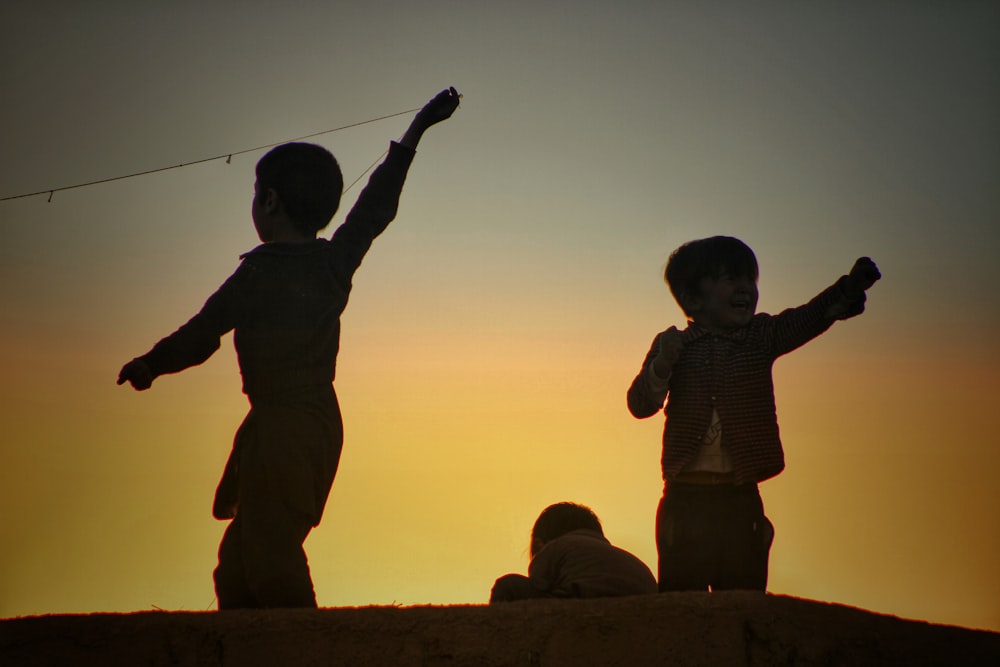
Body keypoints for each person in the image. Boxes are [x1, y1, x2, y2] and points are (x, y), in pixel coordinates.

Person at [117, 87, 461, 609]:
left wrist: (151, 363)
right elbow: (374, 209)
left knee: (272, 558)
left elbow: (202, 332)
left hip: (287, 432)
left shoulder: (256, 274)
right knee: (236, 568)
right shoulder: (331, 264)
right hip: (310, 427)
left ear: (269, 201)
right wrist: (414, 132)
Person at [626, 236, 881, 592]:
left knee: (742, 593)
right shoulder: (674, 345)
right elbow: (641, 405)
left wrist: (848, 288)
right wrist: (663, 363)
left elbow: (807, 318)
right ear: (693, 298)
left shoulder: (760, 336)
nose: (746, 288)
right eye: (731, 279)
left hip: (740, 495)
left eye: (751, 280)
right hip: (684, 498)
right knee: (682, 596)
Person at [490, 502, 657, 602]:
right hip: (643, 612)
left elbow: (539, 584)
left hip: (582, 601)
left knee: (507, 585)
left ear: (539, 544)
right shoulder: (630, 559)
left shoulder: (555, 547)